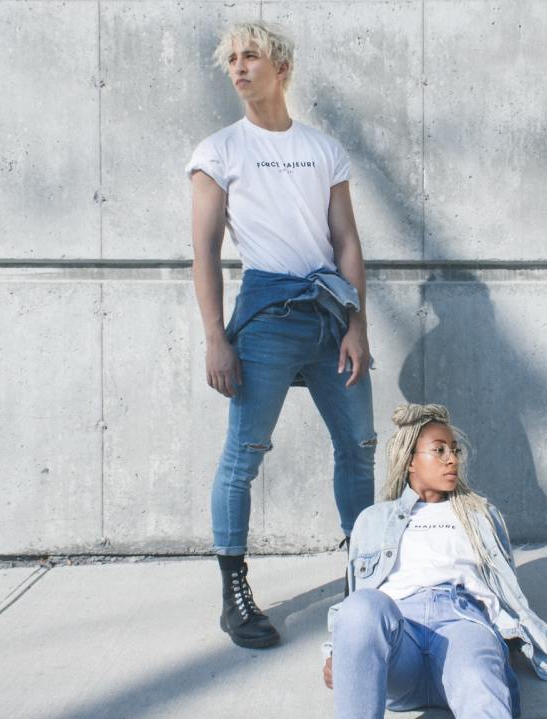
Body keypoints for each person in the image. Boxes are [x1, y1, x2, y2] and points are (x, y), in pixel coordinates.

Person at [186, 21, 376, 650]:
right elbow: (206, 250)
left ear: (282, 67)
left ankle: (363, 572)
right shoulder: (219, 151)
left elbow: (347, 242)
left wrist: (357, 326)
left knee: (359, 444)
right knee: (244, 457)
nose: (239, 68)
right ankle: (233, 591)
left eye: (252, 57)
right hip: (266, 314)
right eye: (232, 60)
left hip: (329, 311)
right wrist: (216, 335)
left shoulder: (324, 149)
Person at [322, 404, 547, 718]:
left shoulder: (481, 514)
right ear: (410, 460)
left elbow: (507, 592)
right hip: (398, 642)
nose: (451, 459)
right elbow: (354, 594)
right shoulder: (374, 519)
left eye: (454, 450)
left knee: (477, 663)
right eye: (438, 450)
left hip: (461, 624)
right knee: (363, 605)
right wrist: (336, 652)